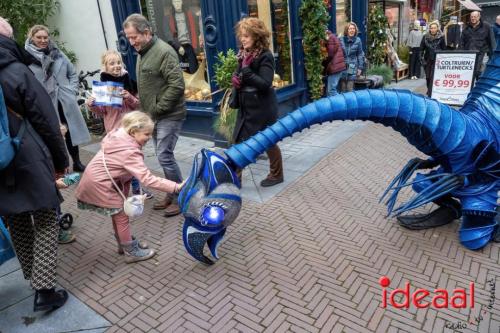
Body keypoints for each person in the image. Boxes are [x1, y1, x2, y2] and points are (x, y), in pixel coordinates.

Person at [0, 17, 70, 311]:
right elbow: (45, 118)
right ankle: (44, 290)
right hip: (26, 155)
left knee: (16, 218)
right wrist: (60, 158)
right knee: (45, 215)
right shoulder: (15, 71)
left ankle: (33, 277)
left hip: (1, 164)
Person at [76, 111, 183, 263]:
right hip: (102, 185)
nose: (149, 138)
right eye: (146, 134)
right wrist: (176, 187)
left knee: (118, 214)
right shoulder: (129, 151)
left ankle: (123, 244)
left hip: (99, 181)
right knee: (121, 216)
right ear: (133, 131)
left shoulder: (119, 136)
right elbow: (148, 179)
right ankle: (130, 251)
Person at [123, 14, 186, 217]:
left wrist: (157, 108)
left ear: (147, 32)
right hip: (153, 115)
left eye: (134, 37)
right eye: (129, 38)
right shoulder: (143, 51)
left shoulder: (164, 52)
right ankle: (172, 192)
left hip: (169, 114)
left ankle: (181, 196)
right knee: (163, 156)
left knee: (164, 155)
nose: (132, 42)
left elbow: (177, 85)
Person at [24, 25, 91, 172]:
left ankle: (77, 162)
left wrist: (72, 91)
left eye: (45, 37)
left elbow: (72, 73)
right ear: (31, 38)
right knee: (55, 134)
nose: (43, 40)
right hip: (46, 102)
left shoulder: (58, 53)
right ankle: (62, 167)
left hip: (65, 100)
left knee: (71, 132)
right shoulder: (26, 57)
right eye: (39, 37)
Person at [231, 17, 284, 187]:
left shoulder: (265, 55)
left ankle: (276, 175)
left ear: (256, 37)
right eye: (241, 35)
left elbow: (265, 83)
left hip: (262, 107)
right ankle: (235, 179)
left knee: (267, 141)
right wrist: (236, 78)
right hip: (248, 106)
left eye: (246, 36)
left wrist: (245, 72)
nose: (242, 39)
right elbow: (242, 74)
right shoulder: (243, 54)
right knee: (239, 142)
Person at [162, 0, 201, 74]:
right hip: (177, 49)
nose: (177, 4)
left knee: (194, 71)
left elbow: (197, 29)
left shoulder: (190, 15)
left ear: (182, 2)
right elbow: (168, 35)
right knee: (182, 73)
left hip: (190, 47)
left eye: (179, 1)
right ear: (172, 4)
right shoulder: (167, 18)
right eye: (175, 2)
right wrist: (178, 47)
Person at [460, 11, 496, 80]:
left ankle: (480, 88)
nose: (473, 18)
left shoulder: (486, 26)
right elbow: (462, 42)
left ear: (479, 17)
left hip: (482, 54)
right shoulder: (466, 28)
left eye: (475, 17)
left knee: (481, 73)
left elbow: (492, 41)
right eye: (472, 17)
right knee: (470, 74)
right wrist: (461, 54)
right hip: (469, 55)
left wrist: (493, 54)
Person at [420, 21, 446, 97]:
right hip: (427, 60)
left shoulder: (441, 37)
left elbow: (444, 49)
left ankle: (432, 92)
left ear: (437, 28)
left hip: (437, 60)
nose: (433, 29)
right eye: (431, 28)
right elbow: (421, 49)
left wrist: (443, 60)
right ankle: (429, 89)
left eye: (434, 28)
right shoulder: (425, 37)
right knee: (428, 77)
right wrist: (421, 59)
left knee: (434, 76)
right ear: (429, 29)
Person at [339, 22, 364, 92]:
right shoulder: (341, 40)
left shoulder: (358, 40)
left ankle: (351, 102)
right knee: (343, 88)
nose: (352, 30)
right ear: (347, 30)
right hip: (342, 66)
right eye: (350, 28)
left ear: (355, 30)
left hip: (352, 65)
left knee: (350, 87)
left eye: (353, 29)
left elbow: (360, 54)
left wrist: (360, 68)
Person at [324, 30, 345, 96]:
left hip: (335, 67)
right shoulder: (332, 36)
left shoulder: (330, 38)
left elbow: (330, 54)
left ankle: (342, 104)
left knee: (331, 91)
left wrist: (324, 63)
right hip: (337, 66)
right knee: (330, 91)